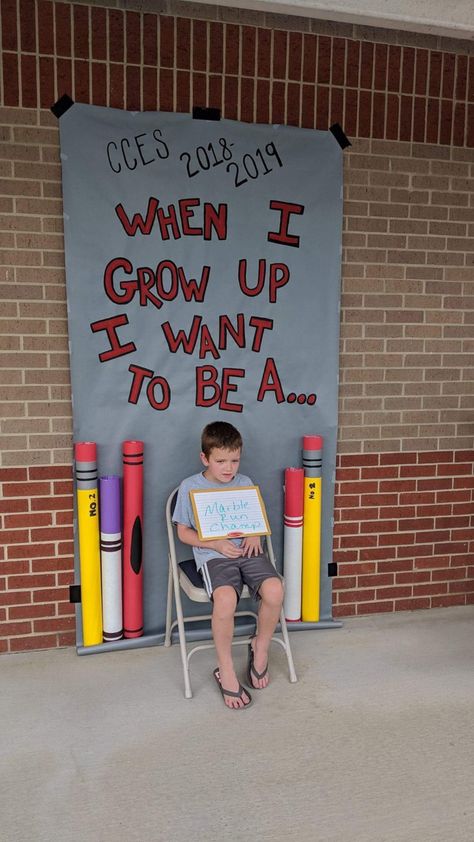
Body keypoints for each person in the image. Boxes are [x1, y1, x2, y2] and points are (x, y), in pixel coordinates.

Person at [173, 421, 284, 710]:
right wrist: (214, 544)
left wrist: (256, 533)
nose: (228, 468)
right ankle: (226, 670)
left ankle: (260, 646)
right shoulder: (190, 487)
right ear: (205, 458)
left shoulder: (244, 483)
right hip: (214, 556)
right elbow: (183, 532)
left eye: (234, 460)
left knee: (274, 590)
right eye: (220, 461)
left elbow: (256, 522)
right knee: (225, 600)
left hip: (248, 552)